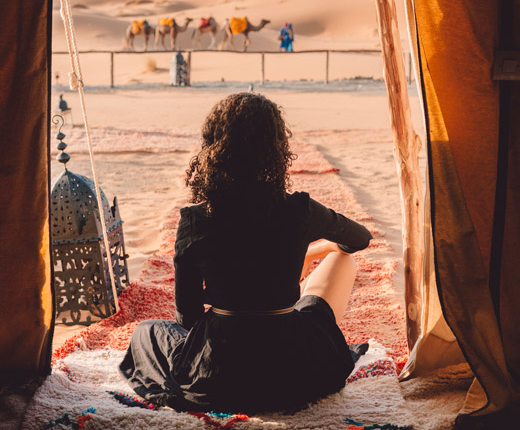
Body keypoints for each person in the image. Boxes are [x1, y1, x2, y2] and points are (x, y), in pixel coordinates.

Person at [119, 93, 372, 413]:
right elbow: (360, 239)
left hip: (217, 379)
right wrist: (313, 249)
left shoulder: (196, 219)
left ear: (213, 149)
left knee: (147, 333)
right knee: (340, 260)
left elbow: (188, 317)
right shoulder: (299, 210)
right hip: (292, 373)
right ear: (277, 149)